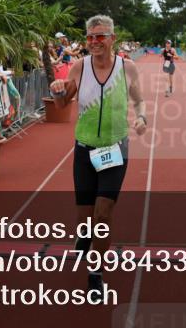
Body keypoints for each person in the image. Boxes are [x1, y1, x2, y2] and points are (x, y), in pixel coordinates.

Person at [49, 15, 147, 297]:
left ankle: (96, 272)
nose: (93, 42)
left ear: (112, 39)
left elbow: (139, 99)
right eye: (90, 37)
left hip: (116, 150)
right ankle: (84, 234)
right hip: (84, 150)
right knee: (85, 218)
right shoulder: (79, 67)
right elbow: (62, 103)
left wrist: (142, 118)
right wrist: (57, 90)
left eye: (100, 36)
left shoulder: (127, 68)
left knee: (103, 214)